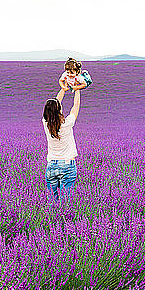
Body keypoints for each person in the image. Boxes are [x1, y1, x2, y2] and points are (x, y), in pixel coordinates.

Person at [42, 62, 85, 204]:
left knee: (51, 200)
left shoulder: (46, 123)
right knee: (66, 201)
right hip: (67, 165)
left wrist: (63, 89)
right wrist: (76, 88)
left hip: (51, 165)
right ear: (59, 110)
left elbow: (55, 104)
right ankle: (64, 222)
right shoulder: (66, 124)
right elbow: (75, 106)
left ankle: (51, 222)